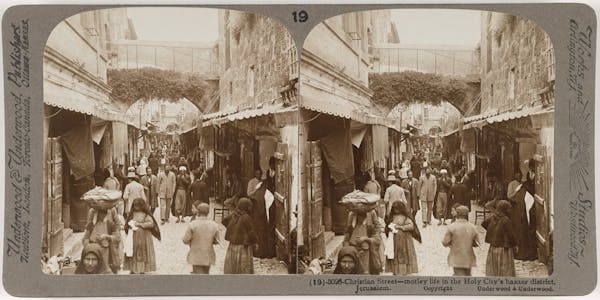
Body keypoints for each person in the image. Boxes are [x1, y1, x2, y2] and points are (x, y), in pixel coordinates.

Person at [124, 198, 161, 274]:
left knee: (142, 253)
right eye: (134, 206)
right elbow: (127, 223)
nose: (136, 207)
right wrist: (129, 225)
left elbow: (151, 224)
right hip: (133, 238)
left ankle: (142, 269)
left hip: (144, 237)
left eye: (137, 206)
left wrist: (140, 224)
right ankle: (133, 268)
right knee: (133, 252)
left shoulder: (146, 215)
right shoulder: (132, 214)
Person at [343, 203, 382, 275]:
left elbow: (377, 231)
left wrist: (366, 239)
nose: (360, 219)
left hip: (366, 248)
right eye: (359, 217)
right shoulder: (352, 215)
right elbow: (347, 232)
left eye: (362, 216)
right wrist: (346, 245)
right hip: (353, 247)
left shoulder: (371, 214)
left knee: (365, 269)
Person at [182, 202, 221, 274]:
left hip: (196, 255)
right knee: (206, 275)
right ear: (208, 212)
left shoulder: (193, 224)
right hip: (208, 255)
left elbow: (185, 240)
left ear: (198, 212)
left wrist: (191, 242)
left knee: (198, 276)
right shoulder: (214, 225)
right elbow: (217, 241)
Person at [482, 200, 517, 276]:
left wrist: (492, 231)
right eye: (508, 209)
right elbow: (511, 235)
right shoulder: (506, 220)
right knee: (504, 265)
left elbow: (484, 223)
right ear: (505, 209)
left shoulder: (493, 217)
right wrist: (515, 245)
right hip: (504, 247)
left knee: (494, 264)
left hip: (493, 246)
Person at [82, 206, 122, 274]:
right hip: (93, 251)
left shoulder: (110, 224)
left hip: (106, 252)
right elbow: (85, 238)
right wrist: (88, 245)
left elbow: (118, 238)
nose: (101, 216)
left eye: (103, 214)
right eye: (99, 214)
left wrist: (107, 237)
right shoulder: (91, 224)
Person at [223, 198, 258, 274]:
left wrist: (233, 229)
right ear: (246, 207)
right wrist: (255, 241)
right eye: (249, 206)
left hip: (232, 245)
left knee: (233, 264)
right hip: (243, 246)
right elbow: (251, 232)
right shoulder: (246, 217)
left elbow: (224, 221)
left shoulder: (233, 214)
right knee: (243, 266)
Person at [442, 206, 479, 276]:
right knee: (468, 277)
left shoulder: (452, 227)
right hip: (469, 258)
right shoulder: (473, 227)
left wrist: (451, 243)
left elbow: (445, 242)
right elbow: (477, 243)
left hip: (456, 258)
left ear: (457, 214)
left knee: (459, 278)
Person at [385, 201, 420, 276]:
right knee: (395, 254)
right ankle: (395, 270)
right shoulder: (392, 217)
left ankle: (404, 270)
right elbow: (387, 225)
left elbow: (411, 226)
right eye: (394, 209)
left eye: (397, 209)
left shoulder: (406, 217)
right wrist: (390, 228)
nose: (396, 211)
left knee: (404, 254)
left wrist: (400, 227)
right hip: (394, 240)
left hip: (405, 240)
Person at [251, 180, 277, 259]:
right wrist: (269, 220)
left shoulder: (257, 192)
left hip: (257, 217)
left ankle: (261, 252)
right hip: (263, 216)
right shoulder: (268, 194)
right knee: (267, 233)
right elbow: (268, 208)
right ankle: (268, 252)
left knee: (260, 235)